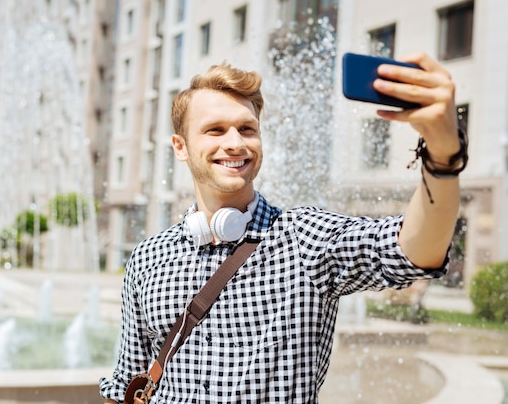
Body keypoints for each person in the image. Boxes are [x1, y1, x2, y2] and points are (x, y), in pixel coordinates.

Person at [100, 52, 467, 403]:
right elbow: (126, 385)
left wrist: (443, 155)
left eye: (247, 129)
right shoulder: (148, 258)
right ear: (180, 147)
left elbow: (412, 252)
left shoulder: (304, 239)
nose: (235, 143)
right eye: (215, 130)